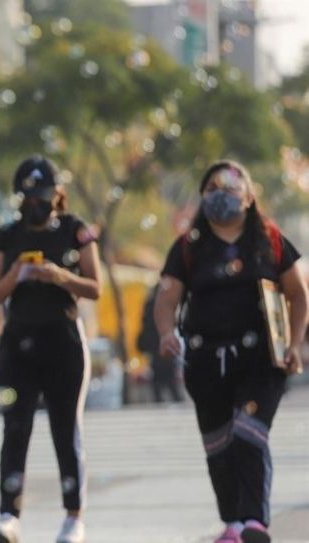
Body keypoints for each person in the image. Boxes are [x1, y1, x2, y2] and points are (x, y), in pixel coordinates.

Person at [154, 160, 307, 543]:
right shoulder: (189, 247)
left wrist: (294, 343)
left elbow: (298, 294)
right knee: (219, 446)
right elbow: (167, 297)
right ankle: (233, 523)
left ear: (249, 197)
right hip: (206, 363)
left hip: (261, 359)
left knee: (248, 434)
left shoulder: (270, 239)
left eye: (230, 187)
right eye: (211, 188)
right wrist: (166, 332)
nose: (221, 195)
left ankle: (255, 522)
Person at [0, 156, 101, 543]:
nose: (35, 203)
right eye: (28, 196)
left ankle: (73, 516)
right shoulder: (6, 234)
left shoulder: (75, 230)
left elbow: (94, 287)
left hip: (62, 341)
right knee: (14, 426)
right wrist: (17, 273)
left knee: (65, 428)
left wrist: (60, 275)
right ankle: (8, 514)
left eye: (43, 195)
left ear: (57, 194)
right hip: (18, 343)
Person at [137, 284, 184, 403]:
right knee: (167, 376)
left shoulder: (149, 305)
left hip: (156, 346)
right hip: (163, 343)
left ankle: (160, 399)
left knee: (159, 376)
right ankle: (174, 399)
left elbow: (145, 326)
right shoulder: (162, 305)